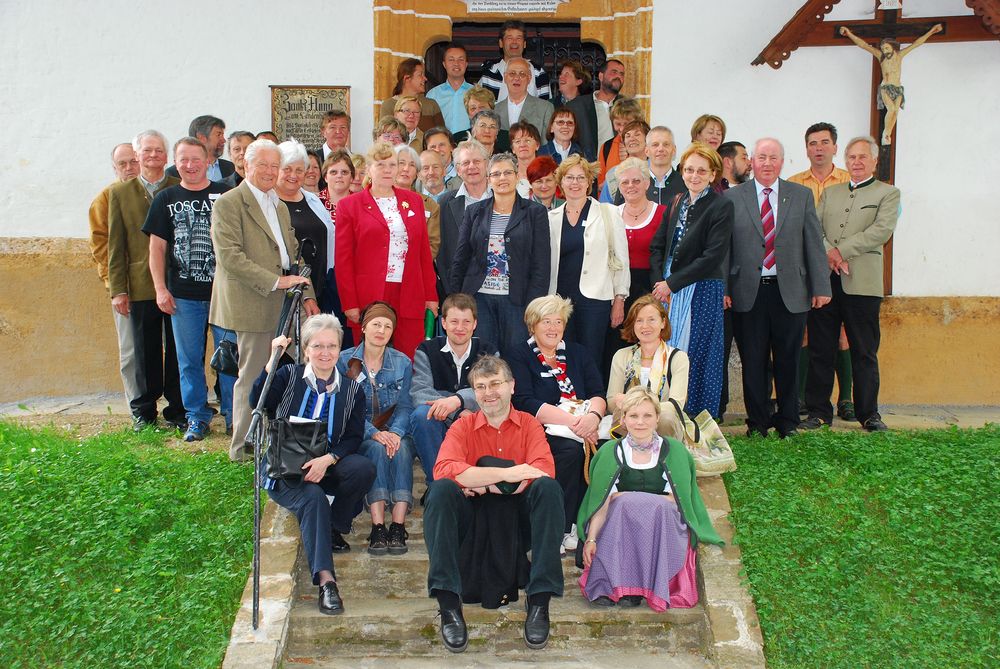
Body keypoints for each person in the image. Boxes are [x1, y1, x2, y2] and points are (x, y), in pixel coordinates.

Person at [425, 355, 564, 652]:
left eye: (495, 384)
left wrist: (479, 481)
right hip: (472, 521)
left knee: (549, 490)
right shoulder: (463, 426)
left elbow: (543, 470)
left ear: (512, 386)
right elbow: (444, 470)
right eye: (481, 386)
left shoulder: (530, 424)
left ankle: (539, 600)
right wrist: (508, 474)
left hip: (518, 520)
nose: (488, 393)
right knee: (440, 491)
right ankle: (448, 604)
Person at [250, 314, 376, 615]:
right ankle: (326, 582)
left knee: (363, 468)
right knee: (314, 498)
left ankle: (333, 526)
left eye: (331, 346)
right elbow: (257, 402)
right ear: (305, 349)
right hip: (286, 469)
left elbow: (353, 437)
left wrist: (329, 459)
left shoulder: (352, 390)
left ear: (340, 349)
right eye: (317, 346)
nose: (325, 353)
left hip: (325, 464)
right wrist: (271, 362)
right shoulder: (287, 376)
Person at [210, 138, 319, 461]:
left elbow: (292, 255)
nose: (270, 172)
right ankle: (243, 449)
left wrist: (307, 295)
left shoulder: (278, 205)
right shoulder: (229, 203)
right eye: (264, 165)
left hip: (285, 301)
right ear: (246, 165)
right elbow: (230, 257)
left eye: (275, 166)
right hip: (252, 300)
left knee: (285, 374)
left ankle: (276, 441)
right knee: (254, 374)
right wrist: (276, 281)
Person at [723, 138, 831, 438]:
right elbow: (725, 248)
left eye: (773, 158)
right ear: (752, 162)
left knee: (788, 360)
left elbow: (813, 243)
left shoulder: (800, 195)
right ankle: (757, 422)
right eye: (761, 157)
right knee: (753, 360)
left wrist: (821, 286)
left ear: (782, 162)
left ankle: (788, 421)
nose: (767, 163)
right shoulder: (733, 197)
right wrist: (724, 288)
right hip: (748, 291)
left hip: (791, 292)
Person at [578, 387, 722, 610]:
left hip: (661, 525)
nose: (640, 422)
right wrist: (591, 539)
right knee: (621, 508)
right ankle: (617, 585)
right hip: (621, 526)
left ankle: (647, 585)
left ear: (657, 419)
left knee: (645, 507)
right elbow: (601, 504)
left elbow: (677, 500)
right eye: (633, 416)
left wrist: (625, 496)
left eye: (647, 415)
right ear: (623, 420)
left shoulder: (675, 451)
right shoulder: (609, 452)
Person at [802, 136, 899, 432]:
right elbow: (813, 228)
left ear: (874, 161)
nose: (857, 162)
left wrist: (840, 251)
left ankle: (868, 413)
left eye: (862, 157)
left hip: (862, 284)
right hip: (827, 282)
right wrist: (829, 253)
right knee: (821, 349)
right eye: (852, 157)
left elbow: (880, 231)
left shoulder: (888, 193)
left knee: (864, 351)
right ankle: (819, 411)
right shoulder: (831, 193)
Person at [143, 136, 234, 441]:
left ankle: (233, 417)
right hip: (183, 296)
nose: (190, 165)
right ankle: (196, 416)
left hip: (224, 296)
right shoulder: (165, 199)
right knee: (188, 360)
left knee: (230, 359)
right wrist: (160, 289)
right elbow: (156, 249)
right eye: (183, 159)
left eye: (196, 159)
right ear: (175, 162)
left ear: (208, 161)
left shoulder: (226, 195)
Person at [508, 295, 608, 556]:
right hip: (542, 428)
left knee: (607, 453)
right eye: (546, 322)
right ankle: (559, 527)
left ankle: (585, 525)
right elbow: (524, 401)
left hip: (585, 425)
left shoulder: (578, 352)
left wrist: (592, 418)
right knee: (569, 452)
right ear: (533, 325)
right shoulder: (518, 355)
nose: (553, 328)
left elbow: (598, 392)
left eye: (558, 322)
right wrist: (575, 423)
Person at [649, 142, 734, 419]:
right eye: (688, 170)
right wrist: (659, 284)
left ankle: (697, 417)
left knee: (698, 353)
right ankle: (666, 414)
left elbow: (712, 256)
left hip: (702, 287)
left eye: (701, 171)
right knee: (668, 349)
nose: (694, 176)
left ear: (713, 174)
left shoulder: (721, 205)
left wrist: (672, 284)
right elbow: (658, 246)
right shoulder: (676, 201)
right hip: (668, 289)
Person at [107, 130, 184, 431]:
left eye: (159, 150)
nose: (153, 156)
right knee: (144, 350)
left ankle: (178, 409)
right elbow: (116, 245)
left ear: (166, 156)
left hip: (177, 283)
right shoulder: (120, 193)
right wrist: (118, 290)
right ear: (137, 156)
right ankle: (144, 410)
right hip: (139, 285)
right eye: (147, 151)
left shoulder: (179, 187)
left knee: (178, 350)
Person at [334, 141, 438, 358]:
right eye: (380, 165)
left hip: (409, 290)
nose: (387, 170)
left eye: (392, 165)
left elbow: (423, 253)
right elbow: (343, 260)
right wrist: (350, 303)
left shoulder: (414, 201)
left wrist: (430, 295)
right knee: (369, 357)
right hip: (369, 294)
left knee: (409, 357)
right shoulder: (350, 205)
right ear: (368, 169)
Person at [450, 152, 551, 352]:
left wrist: (534, 305)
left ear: (517, 176)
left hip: (518, 300)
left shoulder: (535, 212)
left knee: (516, 356)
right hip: (479, 299)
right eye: (496, 174)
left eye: (507, 173)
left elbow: (541, 263)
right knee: (483, 357)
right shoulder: (474, 211)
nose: (502, 178)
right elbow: (460, 258)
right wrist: (456, 300)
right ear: (489, 179)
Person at [337, 302, 416, 555]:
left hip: (395, 430)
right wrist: (375, 433)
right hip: (360, 433)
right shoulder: (344, 361)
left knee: (402, 448)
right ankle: (378, 526)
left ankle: (398, 526)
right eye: (376, 324)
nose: (381, 330)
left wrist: (395, 433)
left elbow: (406, 406)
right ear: (363, 327)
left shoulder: (402, 362)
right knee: (376, 448)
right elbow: (345, 409)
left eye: (387, 326)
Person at [788, 122, 853, 422]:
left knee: (842, 335)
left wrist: (837, 254)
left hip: (843, 266)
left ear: (835, 147)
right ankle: (803, 397)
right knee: (804, 332)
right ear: (806, 149)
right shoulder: (793, 183)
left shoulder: (850, 181)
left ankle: (846, 399)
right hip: (804, 268)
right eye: (813, 143)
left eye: (824, 142)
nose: (819, 148)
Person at [548, 155, 630, 369]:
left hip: (595, 301)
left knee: (591, 357)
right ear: (561, 182)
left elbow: (621, 259)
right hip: (560, 301)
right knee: (562, 356)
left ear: (589, 182)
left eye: (580, 177)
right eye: (569, 177)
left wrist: (619, 299)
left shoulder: (608, 213)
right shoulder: (551, 218)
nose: (574, 183)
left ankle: (593, 392)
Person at [410, 293, 497, 481]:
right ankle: (440, 482)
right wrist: (456, 412)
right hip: (440, 421)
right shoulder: (426, 350)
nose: (460, 328)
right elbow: (420, 392)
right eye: (454, 321)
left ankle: (477, 482)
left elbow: (493, 390)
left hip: (476, 419)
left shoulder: (488, 351)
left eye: (466, 322)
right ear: (443, 323)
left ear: (475, 324)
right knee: (422, 415)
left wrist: (458, 400)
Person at [88, 142, 141, 409]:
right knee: (130, 350)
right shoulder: (106, 199)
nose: (129, 168)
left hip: (159, 286)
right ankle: (136, 403)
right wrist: (116, 286)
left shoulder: (155, 193)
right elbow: (100, 246)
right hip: (126, 287)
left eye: (133, 161)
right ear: (115, 168)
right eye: (123, 164)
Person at [840, 23, 942, 144]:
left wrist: (932, 31)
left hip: (898, 89)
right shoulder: (881, 56)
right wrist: (849, 34)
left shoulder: (899, 55)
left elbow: (916, 44)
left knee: (895, 113)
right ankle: (886, 133)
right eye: (883, 49)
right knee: (891, 109)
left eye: (887, 48)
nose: (884, 51)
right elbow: (863, 45)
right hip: (886, 87)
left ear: (893, 47)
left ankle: (887, 134)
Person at [607, 296, 690, 441]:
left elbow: (675, 405)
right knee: (623, 415)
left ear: (663, 322)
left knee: (665, 417)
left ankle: (664, 454)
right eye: (639, 320)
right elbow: (611, 402)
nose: (645, 326)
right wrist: (630, 409)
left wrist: (635, 405)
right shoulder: (621, 356)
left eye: (651, 319)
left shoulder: (678, 357)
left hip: (663, 422)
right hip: (629, 421)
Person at [275, 141, 335, 309]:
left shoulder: (313, 200)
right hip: (285, 293)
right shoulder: (270, 204)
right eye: (287, 169)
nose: (293, 175)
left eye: (299, 170)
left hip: (319, 287)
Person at [437, 139, 493, 297]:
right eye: (466, 163)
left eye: (477, 161)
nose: (471, 167)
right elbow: (442, 253)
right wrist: (452, 291)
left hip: (499, 287)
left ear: (487, 164)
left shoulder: (503, 198)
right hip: (461, 290)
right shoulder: (445, 203)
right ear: (458, 169)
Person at [613, 158, 665, 309]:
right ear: (619, 187)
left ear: (647, 183)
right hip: (616, 290)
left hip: (651, 288)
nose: (630, 186)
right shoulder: (612, 214)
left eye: (636, 181)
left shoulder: (663, 213)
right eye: (625, 182)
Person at [477, 20, 551, 102]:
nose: (514, 42)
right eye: (509, 38)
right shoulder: (489, 74)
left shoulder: (538, 73)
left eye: (518, 38)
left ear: (524, 44)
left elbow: (546, 107)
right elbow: (481, 106)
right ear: (501, 43)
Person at [566, 59, 625, 161]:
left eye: (622, 74)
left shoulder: (627, 106)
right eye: (614, 72)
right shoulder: (577, 106)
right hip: (587, 166)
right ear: (601, 76)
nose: (618, 76)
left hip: (620, 167)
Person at [393, 143, 441, 257]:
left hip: (416, 265)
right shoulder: (379, 199)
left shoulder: (429, 205)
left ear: (417, 174)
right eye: (401, 163)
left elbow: (432, 245)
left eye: (412, 165)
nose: (406, 169)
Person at [496, 58, 554, 143]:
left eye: (522, 74)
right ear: (505, 77)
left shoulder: (545, 108)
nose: (516, 78)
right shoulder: (496, 110)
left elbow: (547, 145)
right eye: (512, 73)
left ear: (529, 78)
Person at [379, 57, 446, 132]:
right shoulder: (389, 105)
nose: (425, 79)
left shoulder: (431, 104)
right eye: (420, 75)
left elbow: (443, 134)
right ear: (407, 78)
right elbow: (386, 135)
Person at [166, 115, 234, 182]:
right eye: (218, 135)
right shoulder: (173, 174)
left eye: (223, 135)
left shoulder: (230, 167)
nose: (223, 140)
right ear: (201, 138)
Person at [426, 42, 474, 134]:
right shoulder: (433, 95)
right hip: (441, 142)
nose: (456, 63)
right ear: (444, 64)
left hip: (470, 142)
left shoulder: (477, 93)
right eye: (451, 59)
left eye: (461, 59)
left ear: (466, 64)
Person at [597, 97, 644, 188]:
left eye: (626, 124)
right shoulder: (606, 147)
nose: (622, 129)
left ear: (638, 122)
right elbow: (600, 185)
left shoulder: (648, 147)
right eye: (618, 124)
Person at [600, 119, 650, 203]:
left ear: (647, 140)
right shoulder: (612, 173)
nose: (632, 139)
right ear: (624, 143)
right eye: (628, 136)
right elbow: (604, 206)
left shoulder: (656, 171)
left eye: (637, 134)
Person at [452, 87, 511, 154]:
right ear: (468, 114)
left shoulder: (507, 138)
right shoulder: (457, 139)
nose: (477, 112)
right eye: (473, 108)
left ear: (492, 110)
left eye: (482, 107)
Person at [508, 121, 541, 197]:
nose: (522, 145)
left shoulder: (548, 174)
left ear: (537, 145)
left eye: (527, 141)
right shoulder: (507, 176)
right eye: (517, 141)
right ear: (513, 149)